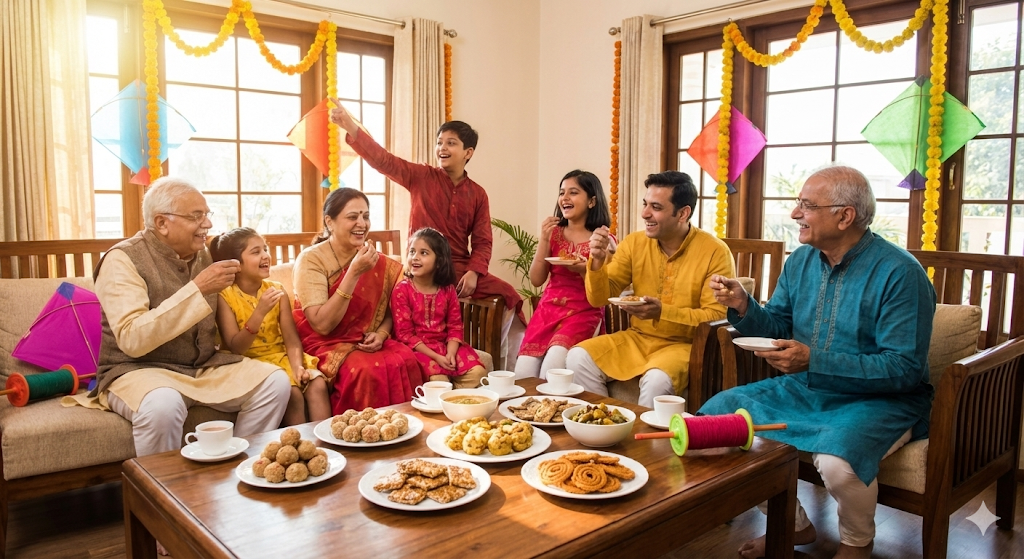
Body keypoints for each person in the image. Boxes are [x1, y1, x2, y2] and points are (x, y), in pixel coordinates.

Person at [701, 165, 935, 559]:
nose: (795, 214)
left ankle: (857, 544)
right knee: (717, 421)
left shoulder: (901, 273)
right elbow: (778, 325)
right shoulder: (801, 261)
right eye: (798, 204)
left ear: (845, 216)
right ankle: (795, 527)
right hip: (807, 388)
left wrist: (814, 360)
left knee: (836, 460)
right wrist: (744, 304)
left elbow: (903, 368)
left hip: (883, 400)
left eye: (807, 206)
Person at [65, 177, 291, 457]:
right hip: (137, 371)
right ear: (162, 223)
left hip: (201, 368)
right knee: (163, 404)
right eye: (196, 216)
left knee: (274, 382)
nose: (207, 224)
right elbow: (132, 338)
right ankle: (161, 495)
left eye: (207, 215)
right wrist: (198, 289)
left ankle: (239, 467)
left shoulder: (203, 256)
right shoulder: (122, 259)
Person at [328, 102, 526, 368]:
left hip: (458, 269)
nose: (442, 148)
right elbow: (384, 161)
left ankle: (510, 369)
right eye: (439, 142)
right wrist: (350, 126)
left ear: (468, 153)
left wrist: (475, 272)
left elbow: (482, 241)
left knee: (510, 296)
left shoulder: (477, 194)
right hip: (421, 267)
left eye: (451, 143)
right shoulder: (421, 176)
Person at [564, 170, 734, 408]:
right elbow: (599, 298)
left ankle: (641, 444)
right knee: (577, 357)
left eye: (656, 207)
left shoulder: (715, 252)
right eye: (645, 204)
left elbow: (716, 316)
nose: (645, 214)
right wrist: (598, 262)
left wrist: (662, 312)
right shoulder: (634, 243)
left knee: (656, 380)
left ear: (683, 213)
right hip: (638, 339)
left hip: (684, 346)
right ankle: (605, 427)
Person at [292, 187, 427, 414]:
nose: (362, 223)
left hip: (366, 340)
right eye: (353, 217)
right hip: (325, 343)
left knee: (406, 358)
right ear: (330, 222)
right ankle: (360, 439)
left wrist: (382, 334)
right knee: (363, 371)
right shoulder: (312, 260)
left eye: (365, 216)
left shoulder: (376, 260)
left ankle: (403, 432)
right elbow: (322, 325)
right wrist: (353, 272)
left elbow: (391, 312)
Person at [210, 228, 330, 426]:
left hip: (281, 356)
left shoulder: (276, 290)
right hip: (250, 363)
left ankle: (325, 449)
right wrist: (259, 312)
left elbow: (291, 340)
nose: (266, 255)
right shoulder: (225, 296)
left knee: (317, 385)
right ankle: (296, 452)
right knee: (292, 393)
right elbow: (235, 347)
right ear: (236, 264)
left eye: (265, 249)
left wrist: (297, 367)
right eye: (256, 252)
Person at [515, 170, 612, 379]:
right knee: (523, 373)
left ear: (592, 201)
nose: (564, 198)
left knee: (553, 368)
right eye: (562, 192)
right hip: (548, 309)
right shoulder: (554, 234)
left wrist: (585, 270)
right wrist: (543, 239)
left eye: (573, 192)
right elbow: (536, 279)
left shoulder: (603, 238)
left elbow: (605, 289)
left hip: (583, 311)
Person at [391, 227, 488, 388]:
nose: (415, 258)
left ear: (439, 261)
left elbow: (455, 326)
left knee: (478, 373)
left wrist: (450, 353)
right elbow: (405, 335)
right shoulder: (402, 290)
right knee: (438, 383)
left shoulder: (448, 289)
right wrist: (436, 357)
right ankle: (448, 398)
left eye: (423, 253)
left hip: (445, 345)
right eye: (412, 252)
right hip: (418, 349)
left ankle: (457, 402)